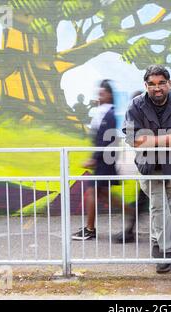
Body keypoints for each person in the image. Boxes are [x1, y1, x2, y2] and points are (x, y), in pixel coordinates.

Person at [123, 65, 171, 273]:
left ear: (169, 83)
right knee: (158, 205)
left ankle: (157, 243)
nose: (157, 88)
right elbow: (132, 139)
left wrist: (151, 139)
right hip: (148, 164)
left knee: (168, 204)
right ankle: (167, 252)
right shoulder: (135, 106)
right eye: (152, 84)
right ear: (145, 86)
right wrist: (168, 139)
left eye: (161, 83)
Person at [114, 84, 171, 246]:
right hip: (151, 165)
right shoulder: (149, 113)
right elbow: (137, 138)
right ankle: (160, 241)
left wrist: (160, 142)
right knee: (158, 204)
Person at [72, 80, 120, 241]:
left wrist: (94, 159)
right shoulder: (102, 112)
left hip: (104, 161)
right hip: (102, 160)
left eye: (102, 94)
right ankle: (132, 215)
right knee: (104, 195)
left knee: (93, 192)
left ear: (109, 95)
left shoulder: (110, 115)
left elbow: (107, 140)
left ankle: (90, 229)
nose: (99, 96)